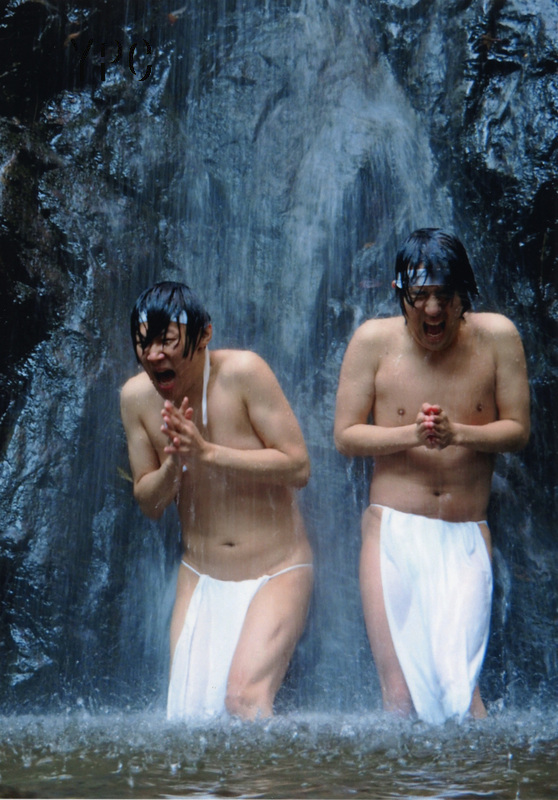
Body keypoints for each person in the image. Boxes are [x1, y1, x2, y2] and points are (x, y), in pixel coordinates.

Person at [334, 228, 530, 724]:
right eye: (419, 296)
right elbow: (346, 436)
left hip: (465, 532)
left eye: (445, 295)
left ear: (465, 292)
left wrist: (458, 433)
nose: (434, 310)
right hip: (392, 531)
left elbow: (518, 430)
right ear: (400, 293)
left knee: (462, 696)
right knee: (399, 699)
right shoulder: (373, 342)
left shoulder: (498, 337)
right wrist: (413, 435)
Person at [120, 281, 313, 721]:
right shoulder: (135, 399)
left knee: (244, 700)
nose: (154, 355)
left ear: (204, 335)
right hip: (201, 574)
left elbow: (298, 467)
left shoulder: (244, 373)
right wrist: (174, 466)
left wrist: (207, 454)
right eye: (144, 343)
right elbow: (149, 503)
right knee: (186, 720)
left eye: (167, 341)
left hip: (277, 569)